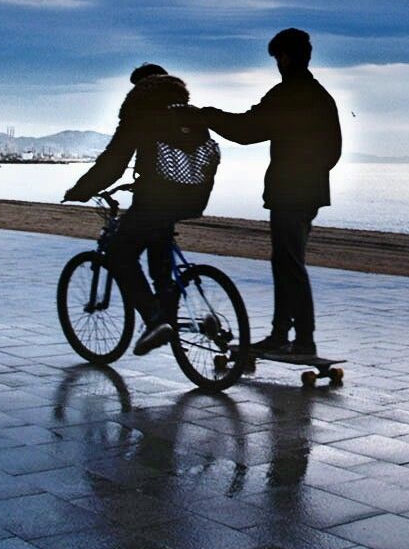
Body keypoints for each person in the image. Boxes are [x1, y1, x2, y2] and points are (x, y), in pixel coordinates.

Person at [202, 29, 341, 357]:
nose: (278, 64)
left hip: (290, 193)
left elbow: (247, 130)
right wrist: (312, 172)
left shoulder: (288, 93)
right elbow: (333, 151)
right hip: (310, 193)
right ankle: (281, 334)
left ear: (286, 58)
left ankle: (303, 340)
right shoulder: (321, 96)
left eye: (279, 58)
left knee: (289, 264)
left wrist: (207, 115)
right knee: (286, 261)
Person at [63, 63, 211, 356]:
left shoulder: (139, 112)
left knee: (119, 255)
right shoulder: (189, 115)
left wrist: (81, 190)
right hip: (191, 200)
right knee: (161, 266)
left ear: (140, 87)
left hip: (154, 201)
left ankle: (155, 321)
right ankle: (170, 318)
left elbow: (114, 161)